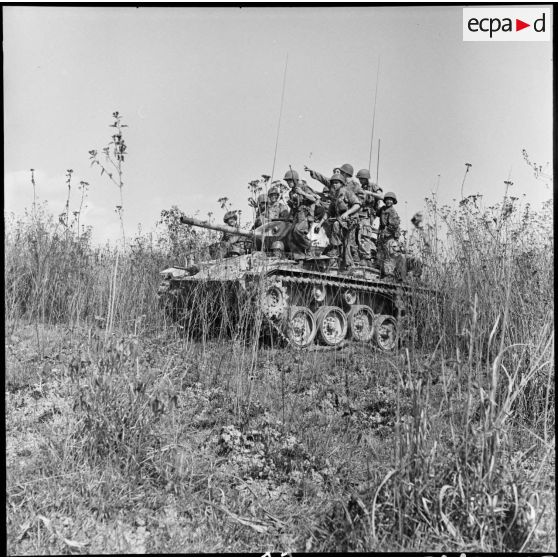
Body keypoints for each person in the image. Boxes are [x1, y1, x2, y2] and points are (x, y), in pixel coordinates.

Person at [319, 173, 361, 270]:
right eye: (333, 183)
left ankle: (349, 265)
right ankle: (335, 251)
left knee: (347, 243)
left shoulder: (347, 192)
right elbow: (329, 212)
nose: (334, 184)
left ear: (342, 183)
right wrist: (320, 224)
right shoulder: (335, 196)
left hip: (350, 222)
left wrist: (347, 213)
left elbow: (357, 204)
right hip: (340, 221)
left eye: (337, 182)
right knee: (333, 225)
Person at [284, 169, 320, 259]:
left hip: (306, 216)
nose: (288, 183)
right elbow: (294, 207)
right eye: (287, 181)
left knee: (298, 231)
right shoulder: (291, 192)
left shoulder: (304, 187)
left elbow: (314, 199)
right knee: (290, 236)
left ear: (295, 180)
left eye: (290, 181)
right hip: (297, 216)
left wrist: (302, 193)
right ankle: (299, 256)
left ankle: (309, 248)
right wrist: (288, 217)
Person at [353, 169, 384, 265]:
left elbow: (382, 196)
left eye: (362, 179)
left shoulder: (373, 186)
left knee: (364, 235)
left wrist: (369, 193)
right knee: (356, 234)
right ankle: (357, 255)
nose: (360, 180)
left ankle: (366, 257)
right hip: (359, 213)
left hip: (368, 214)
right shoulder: (360, 187)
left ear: (366, 178)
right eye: (359, 179)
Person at [376, 192, 401, 277]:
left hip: (389, 236)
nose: (388, 201)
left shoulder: (392, 212)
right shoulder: (383, 208)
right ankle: (382, 272)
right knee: (381, 254)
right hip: (382, 234)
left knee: (389, 254)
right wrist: (376, 199)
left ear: (393, 201)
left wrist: (385, 233)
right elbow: (376, 212)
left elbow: (394, 226)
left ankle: (389, 274)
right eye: (387, 200)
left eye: (390, 200)